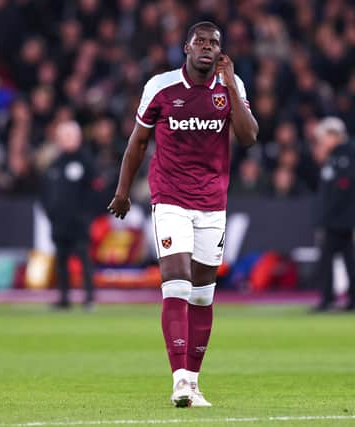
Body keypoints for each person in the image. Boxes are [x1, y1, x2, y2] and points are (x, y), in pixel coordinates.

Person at [107, 21, 258, 408]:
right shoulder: (161, 87)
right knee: (176, 284)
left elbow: (249, 136)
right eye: (200, 42)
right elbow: (138, 142)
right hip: (170, 198)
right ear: (186, 49)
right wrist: (123, 191)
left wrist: (232, 85)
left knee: (204, 297)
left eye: (214, 43)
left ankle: (193, 382)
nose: (207, 48)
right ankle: (177, 380)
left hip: (213, 203)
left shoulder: (230, 88)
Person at [40, 120, 96, 310]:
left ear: (78, 137)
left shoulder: (86, 162)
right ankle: (64, 298)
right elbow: (46, 193)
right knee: (61, 262)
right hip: (59, 223)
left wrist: (86, 215)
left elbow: (95, 191)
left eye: (70, 136)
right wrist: (51, 213)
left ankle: (89, 298)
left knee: (83, 259)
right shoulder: (55, 163)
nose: (67, 140)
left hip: (79, 223)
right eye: (64, 136)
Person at [311, 117, 355, 312]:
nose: (322, 142)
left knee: (331, 259)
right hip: (338, 218)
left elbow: (342, 189)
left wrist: (326, 215)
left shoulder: (346, 156)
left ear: (334, 135)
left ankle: (331, 299)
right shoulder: (336, 157)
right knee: (346, 258)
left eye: (324, 137)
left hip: (341, 219)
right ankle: (351, 299)